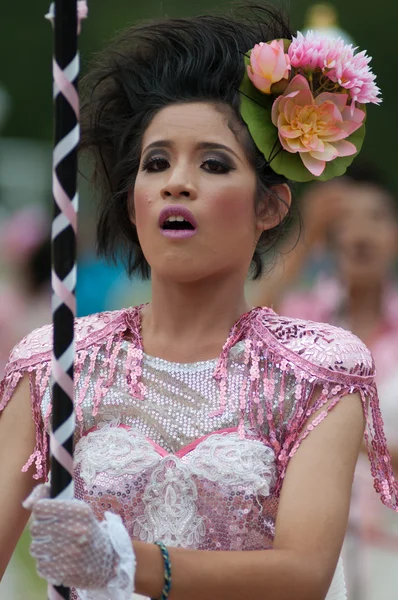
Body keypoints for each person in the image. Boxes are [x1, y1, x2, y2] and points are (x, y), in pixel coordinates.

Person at [0, 6, 394, 600]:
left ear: (271, 206)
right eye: (155, 163)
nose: (175, 182)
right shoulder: (58, 359)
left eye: (213, 164)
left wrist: (125, 562)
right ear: (133, 202)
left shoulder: (319, 371)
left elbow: (302, 574)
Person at [252, 169, 398, 599]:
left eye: (376, 217)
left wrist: (334, 435)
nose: (360, 232)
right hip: (306, 551)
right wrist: (303, 236)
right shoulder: (301, 317)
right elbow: (239, 327)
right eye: (345, 219)